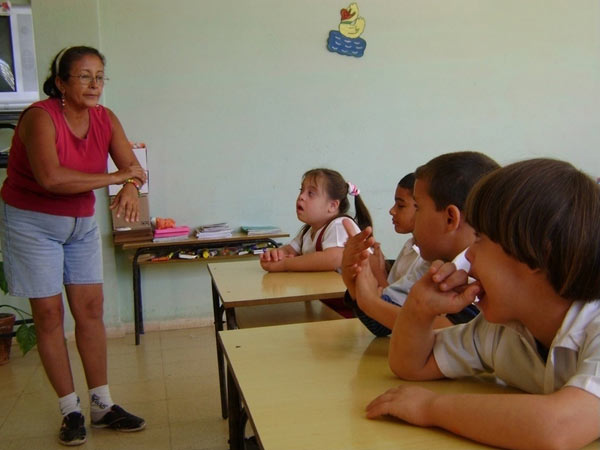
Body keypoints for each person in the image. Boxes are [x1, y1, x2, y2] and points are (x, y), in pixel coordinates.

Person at [365, 159, 600, 449]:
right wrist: (418, 309)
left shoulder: (596, 326)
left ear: (539, 255)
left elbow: (558, 427)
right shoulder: (502, 329)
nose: (469, 256)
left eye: (480, 239)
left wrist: (431, 408)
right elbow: (412, 365)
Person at [0, 46, 147, 446]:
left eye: (100, 76)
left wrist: (130, 186)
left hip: (79, 224)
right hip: (32, 222)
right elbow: (52, 178)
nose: (95, 84)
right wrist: (116, 177)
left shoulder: (105, 118)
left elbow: (134, 169)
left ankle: (101, 404)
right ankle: (71, 411)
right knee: (49, 316)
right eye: (84, 76)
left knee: (91, 310)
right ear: (61, 82)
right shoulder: (39, 118)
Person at [343, 151, 499, 335]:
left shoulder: (483, 275)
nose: (413, 219)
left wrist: (370, 302)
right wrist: (356, 285)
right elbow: (386, 322)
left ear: (450, 219)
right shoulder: (429, 265)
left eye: (418, 208)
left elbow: (453, 333)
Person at [260, 167, 372, 272]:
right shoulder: (309, 230)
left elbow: (333, 259)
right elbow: (290, 249)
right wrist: (277, 255)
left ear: (332, 206)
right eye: (301, 190)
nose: (301, 196)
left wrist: (285, 264)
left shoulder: (339, 225)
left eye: (311, 193)